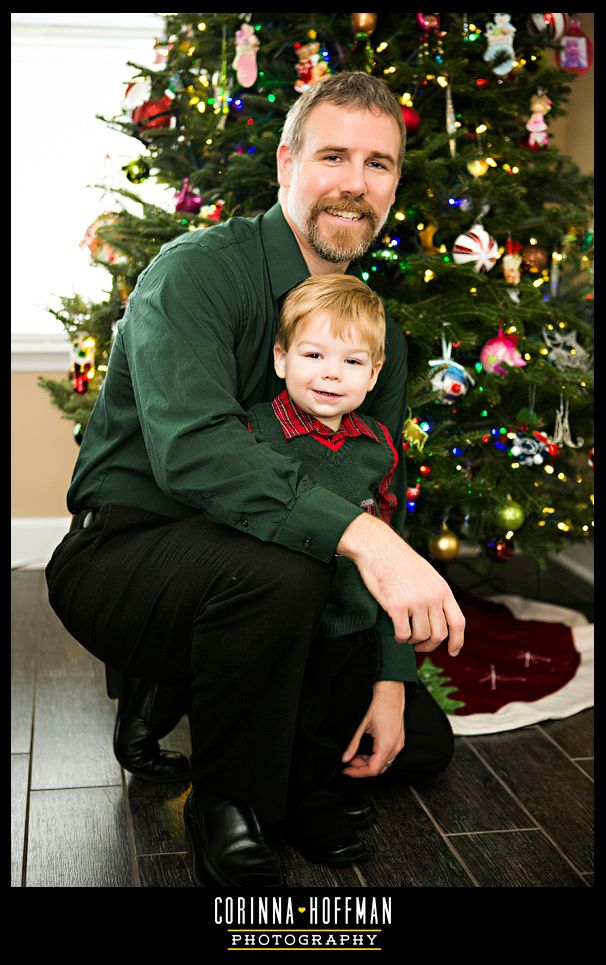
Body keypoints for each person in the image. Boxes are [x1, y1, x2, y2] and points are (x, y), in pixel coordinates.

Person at [45, 71, 465, 889]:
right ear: (285, 163)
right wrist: (360, 537)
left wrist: (389, 672)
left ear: (394, 186)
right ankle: (227, 803)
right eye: (334, 154)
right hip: (130, 552)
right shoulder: (196, 274)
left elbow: (374, 491)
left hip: (279, 574)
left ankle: (199, 682)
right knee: (282, 567)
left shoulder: (374, 335)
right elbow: (195, 450)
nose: (355, 182)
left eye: (378, 164)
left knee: (419, 742)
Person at [247, 272, 415, 866]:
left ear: (372, 377)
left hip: (354, 616)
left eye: (351, 361)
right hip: (290, 619)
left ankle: (331, 785)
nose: (330, 373)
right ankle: (301, 809)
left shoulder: (376, 445)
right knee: (295, 720)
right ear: (281, 358)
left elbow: (388, 528)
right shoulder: (258, 434)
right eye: (313, 355)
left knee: (340, 712)